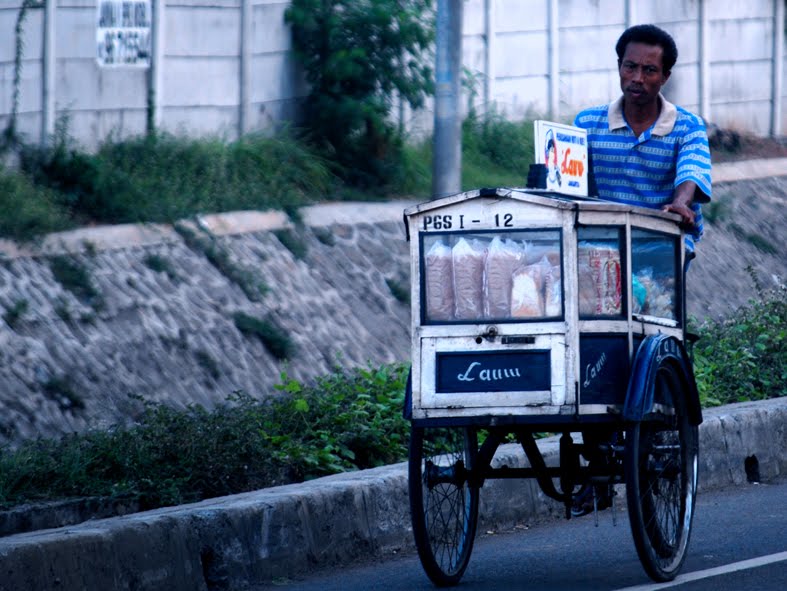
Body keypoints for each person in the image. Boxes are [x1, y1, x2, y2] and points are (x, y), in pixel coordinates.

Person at [570, 24, 712, 517]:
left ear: (665, 76)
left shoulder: (686, 127)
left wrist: (681, 203)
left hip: (659, 247)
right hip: (595, 254)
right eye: (630, 66)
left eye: (649, 70)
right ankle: (593, 451)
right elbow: (564, 181)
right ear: (619, 67)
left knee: (639, 313)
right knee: (580, 335)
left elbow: (692, 176)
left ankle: (652, 400)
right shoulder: (587, 124)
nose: (637, 78)